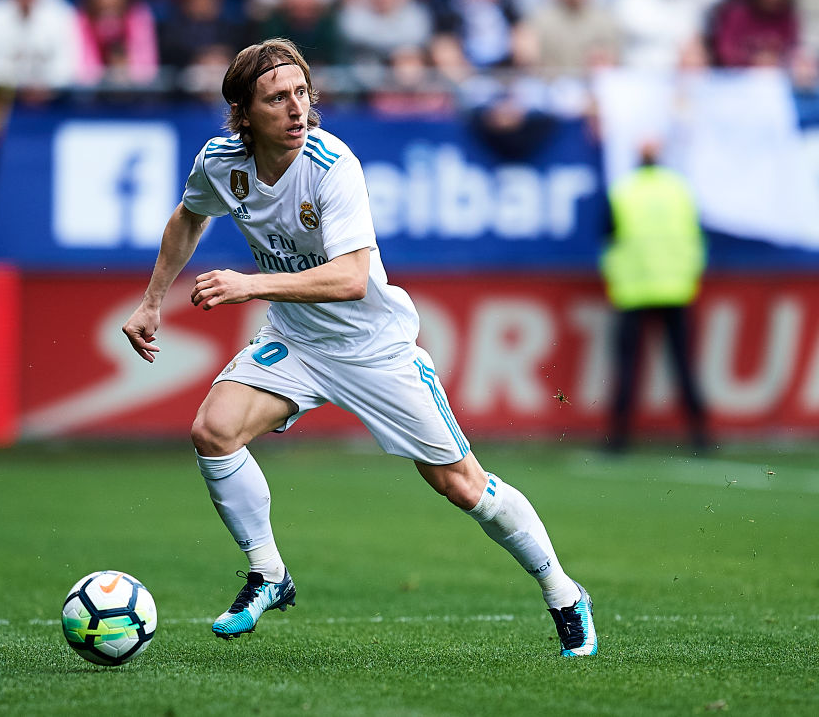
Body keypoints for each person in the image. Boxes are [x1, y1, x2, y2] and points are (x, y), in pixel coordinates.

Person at [121, 38, 598, 657]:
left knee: (462, 485)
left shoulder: (332, 165)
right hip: (297, 340)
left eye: (302, 92)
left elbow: (350, 278)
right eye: (277, 98)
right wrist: (152, 300)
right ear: (243, 113)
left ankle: (564, 593)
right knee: (213, 431)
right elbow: (189, 216)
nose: (296, 108)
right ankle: (268, 574)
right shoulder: (220, 161)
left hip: (375, 348)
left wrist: (251, 284)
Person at [602, 140, 709, 452]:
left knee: (627, 367)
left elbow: (607, 238)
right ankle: (701, 436)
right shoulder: (679, 190)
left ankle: (618, 440)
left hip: (633, 289)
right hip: (676, 287)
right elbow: (696, 236)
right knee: (684, 364)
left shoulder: (623, 191)